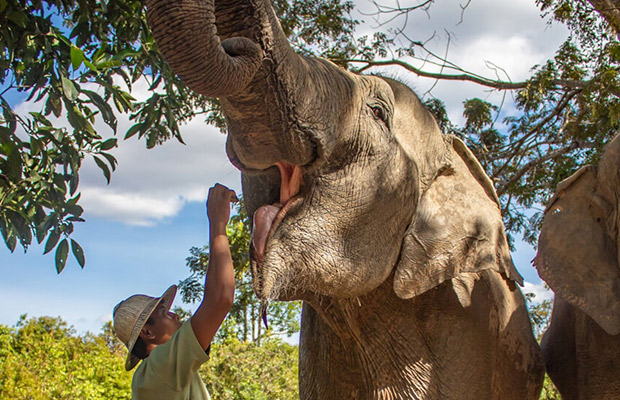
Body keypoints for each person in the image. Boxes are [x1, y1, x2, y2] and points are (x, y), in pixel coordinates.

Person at [112, 183, 237, 400]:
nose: (175, 314)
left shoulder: (156, 377)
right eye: (163, 312)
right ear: (148, 333)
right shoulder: (159, 370)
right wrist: (217, 222)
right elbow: (220, 299)